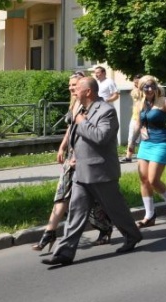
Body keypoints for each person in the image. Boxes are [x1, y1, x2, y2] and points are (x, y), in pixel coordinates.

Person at [42, 77, 143, 266]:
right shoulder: (81, 110)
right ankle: (64, 252)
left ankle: (133, 235)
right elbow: (76, 137)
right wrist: (73, 154)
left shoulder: (106, 111)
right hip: (81, 170)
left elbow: (101, 137)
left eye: (77, 88)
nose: (73, 91)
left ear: (88, 91)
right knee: (76, 212)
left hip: (100, 172)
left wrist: (81, 122)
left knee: (116, 209)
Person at [33, 72, 113, 252]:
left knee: (94, 197)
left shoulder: (90, 106)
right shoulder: (75, 103)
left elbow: (87, 133)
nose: (71, 88)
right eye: (70, 85)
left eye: (75, 85)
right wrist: (62, 147)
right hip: (72, 156)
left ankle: (105, 226)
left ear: (85, 88)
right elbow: (71, 128)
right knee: (63, 191)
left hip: (84, 157)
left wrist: (77, 154)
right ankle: (50, 232)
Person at [134, 76, 166, 227]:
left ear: (156, 87)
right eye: (146, 87)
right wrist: (131, 144)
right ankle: (149, 215)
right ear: (141, 89)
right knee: (144, 180)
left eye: (152, 86)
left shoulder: (164, 102)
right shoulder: (140, 104)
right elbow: (138, 124)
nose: (149, 89)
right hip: (145, 144)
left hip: (161, 143)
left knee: (153, 180)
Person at [121, 74, 144, 162]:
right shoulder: (134, 90)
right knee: (131, 137)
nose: (135, 84)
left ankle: (142, 156)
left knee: (143, 138)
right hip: (135, 116)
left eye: (137, 83)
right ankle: (128, 156)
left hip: (143, 117)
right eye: (134, 82)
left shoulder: (145, 91)